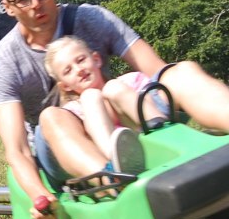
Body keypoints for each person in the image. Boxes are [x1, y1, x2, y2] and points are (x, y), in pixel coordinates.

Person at [0, 0, 229, 219]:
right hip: (66, 146)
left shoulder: (90, 18)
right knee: (51, 118)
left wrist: (168, 86)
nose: (36, 4)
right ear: (8, 7)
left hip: (124, 124)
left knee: (180, 71)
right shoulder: (5, 61)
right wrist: (40, 197)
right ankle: (112, 179)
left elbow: (156, 70)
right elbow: (18, 149)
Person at [43, 35, 159, 177]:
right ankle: (116, 160)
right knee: (91, 97)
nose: (78, 69)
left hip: (151, 139)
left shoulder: (130, 81)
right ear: (65, 85)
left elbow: (155, 99)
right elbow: (78, 144)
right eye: (68, 71)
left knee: (113, 87)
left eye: (81, 60)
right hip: (118, 158)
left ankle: (162, 130)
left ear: (96, 59)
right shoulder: (73, 112)